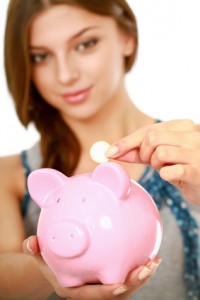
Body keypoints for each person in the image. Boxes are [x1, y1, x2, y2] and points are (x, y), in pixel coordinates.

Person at [0, 0, 199, 299]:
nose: (66, 74)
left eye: (85, 44)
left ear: (127, 37)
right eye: (40, 56)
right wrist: (50, 265)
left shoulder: (191, 152)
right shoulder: (10, 176)